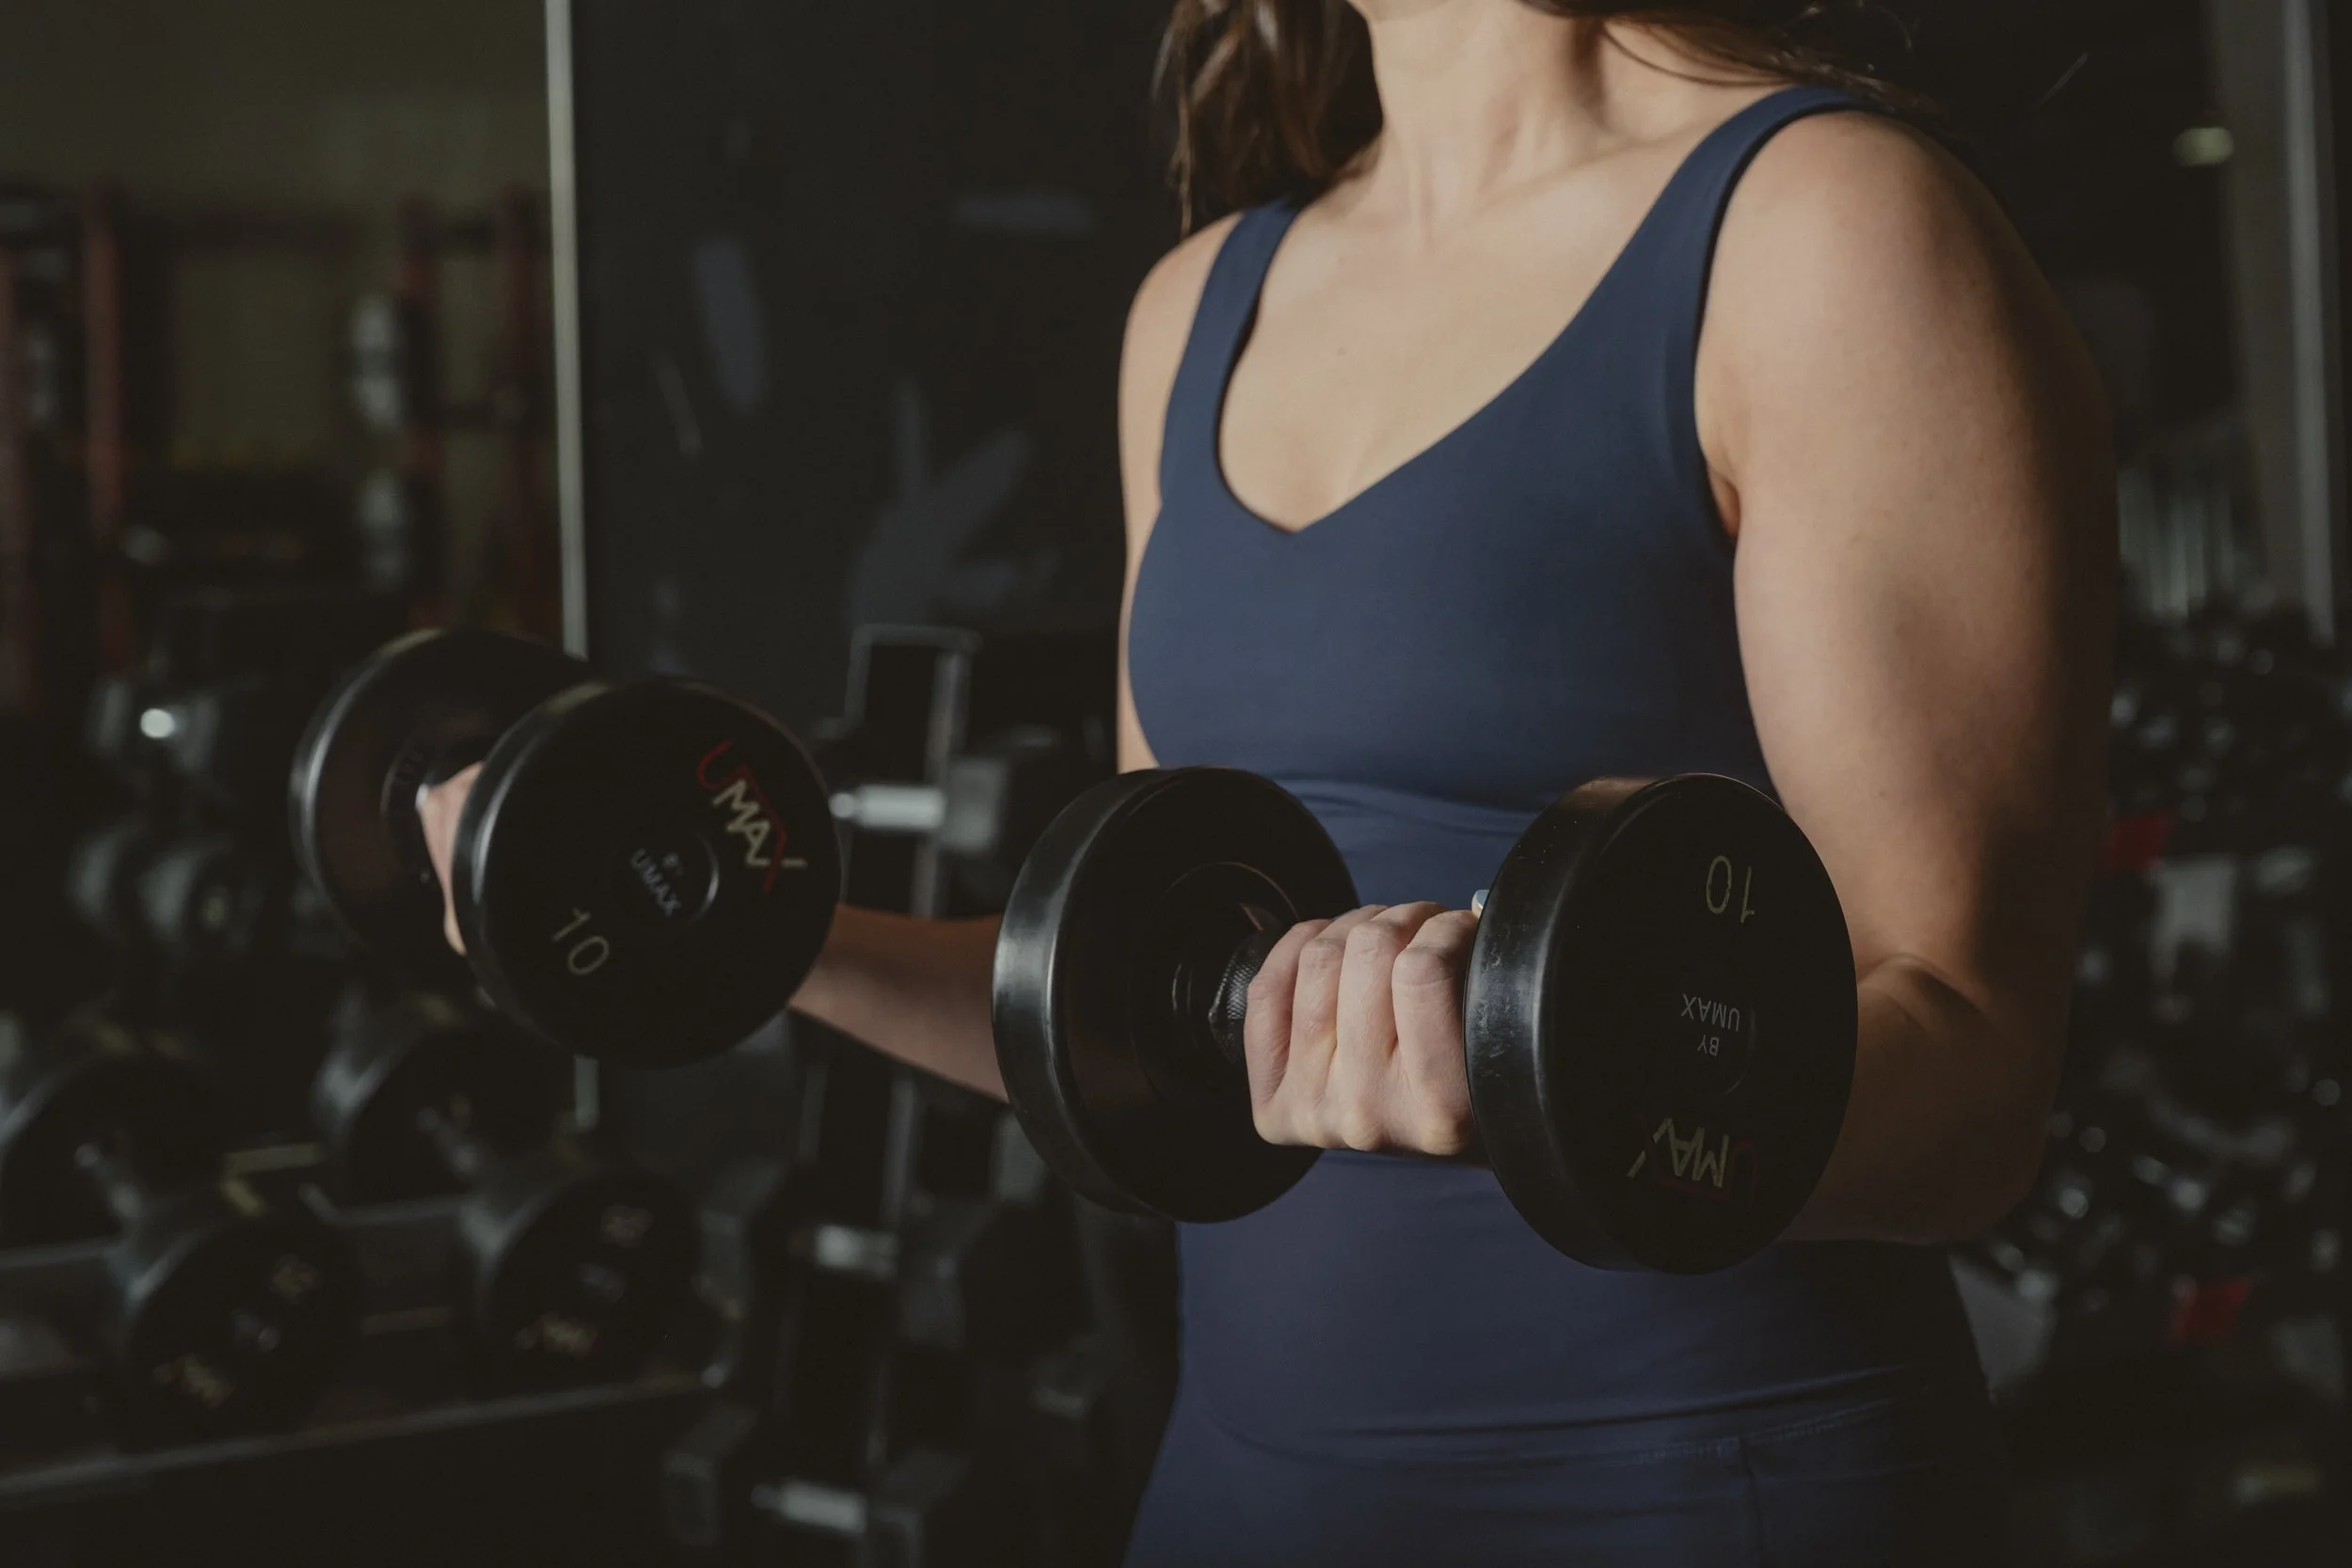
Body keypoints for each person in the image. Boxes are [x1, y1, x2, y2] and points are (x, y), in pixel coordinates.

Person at [424, 3, 2114, 1560]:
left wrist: (1537, 1070)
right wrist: (742, 934)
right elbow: (1148, 1024)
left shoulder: (1825, 230)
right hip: (1254, 1490)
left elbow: (1969, 1077)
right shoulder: (1200, 308)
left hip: (1696, 1480)